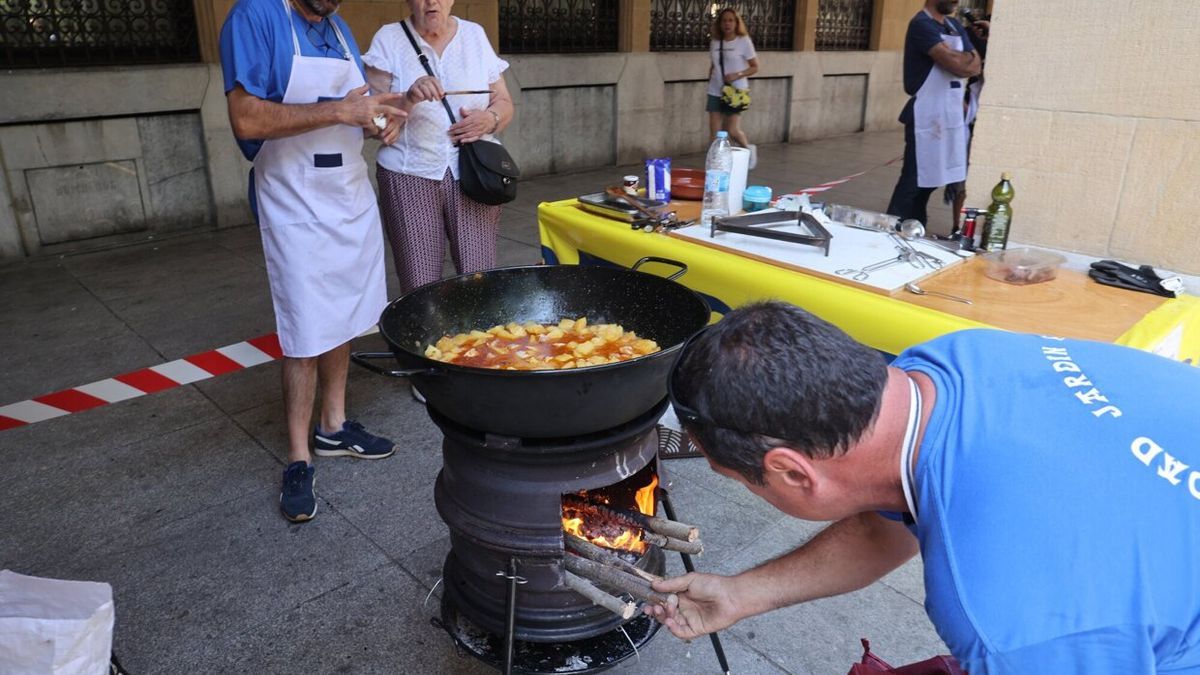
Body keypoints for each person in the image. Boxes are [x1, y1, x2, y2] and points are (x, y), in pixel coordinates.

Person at [648, 301, 1200, 672]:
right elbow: (889, 517)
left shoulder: (1007, 618)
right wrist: (741, 594)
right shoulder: (953, 364)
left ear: (792, 471)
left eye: (737, 478)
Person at [220, 0, 404, 522]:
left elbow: (354, 105)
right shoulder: (255, 17)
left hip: (346, 194)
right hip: (294, 197)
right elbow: (246, 115)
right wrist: (338, 111)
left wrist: (378, 117)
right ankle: (299, 456)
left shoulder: (337, 26)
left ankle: (334, 427)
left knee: (344, 312)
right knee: (304, 326)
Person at [362, 0, 514, 295]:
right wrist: (408, 98)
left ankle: (476, 341)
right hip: (409, 175)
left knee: (479, 280)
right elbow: (371, 125)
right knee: (420, 287)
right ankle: (425, 342)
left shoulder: (474, 35)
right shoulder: (389, 39)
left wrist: (489, 119)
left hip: (475, 174)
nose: (432, 1)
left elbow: (505, 103)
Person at [885, 0, 980, 229]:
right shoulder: (921, 25)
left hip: (949, 116)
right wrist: (963, 59)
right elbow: (955, 64)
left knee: (931, 180)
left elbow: (974, 66)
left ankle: (916, 226)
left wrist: (964, 60)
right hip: (925, 115)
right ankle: (891, 227)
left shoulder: (954, 24)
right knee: (913, 180)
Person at [706, 8, 758, 169]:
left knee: (732, 129)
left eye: (731, 20)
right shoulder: (715, 42)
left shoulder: (744, 41)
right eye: (724, 21)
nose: (727, 24)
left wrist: (738, 74)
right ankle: (718, 163)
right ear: (719, 24)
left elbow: (755, 67)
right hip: (716, 89)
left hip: (736, 91)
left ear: (736, 23)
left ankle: (749, 149)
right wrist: (711, 77)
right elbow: (714, 64)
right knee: (714, 133)